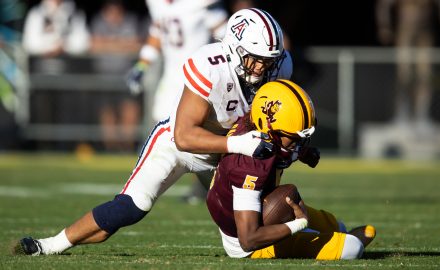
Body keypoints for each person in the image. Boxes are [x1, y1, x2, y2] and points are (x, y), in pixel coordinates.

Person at [15, 8, 294, 256]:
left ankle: (325, 234)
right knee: (130, 209)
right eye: (254, 59)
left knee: (259, 214)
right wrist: (240, 145)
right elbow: (185, 136)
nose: (262, 67)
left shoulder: (280, 67)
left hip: (225, 153)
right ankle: (49, 244)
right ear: (234, 49)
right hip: (176, 144)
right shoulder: (211, 66)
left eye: (268, 60)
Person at [207, 80, 376, 259]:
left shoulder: (258, 125)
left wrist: (301, 152)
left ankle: (326, 232)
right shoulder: (250, 165)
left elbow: (282, 144)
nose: (298, 144)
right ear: (268, 128)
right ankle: (312, 233)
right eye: (293, 137)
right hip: (249, 242)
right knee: (352, 247)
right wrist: (299, 224)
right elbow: (248, 239)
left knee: (336, 227)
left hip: (263, 202)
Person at [127, 0, 228, 201]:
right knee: (162, 129)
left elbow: (227, 34)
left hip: (198, 77)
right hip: (171, 78)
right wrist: (141, 65)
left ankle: (213, 186)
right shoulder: (158, 4)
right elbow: (157, 34)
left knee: (201, 131)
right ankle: (147, 182)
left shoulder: (200, 6)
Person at [376, 0, 440, 128]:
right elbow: (383, 5)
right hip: (405, 31)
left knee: (425, 74)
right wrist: (384, 26)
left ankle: (422, 114)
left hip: (425, 32)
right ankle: (402, 113)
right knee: (404, 73)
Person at [90, 0, 142, 151]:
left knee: (129, 111)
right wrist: (121, 44)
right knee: (107, 114)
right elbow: (93, 45)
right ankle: (111, 149)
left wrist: (108, 44)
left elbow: (137, 45)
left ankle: (126, 148)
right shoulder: (98, 22)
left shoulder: (130, 20)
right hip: (104, 76)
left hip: (127, 76)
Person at [22, 0, 90, 57]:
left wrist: (63, 46)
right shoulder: (36, 13)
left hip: (70, 64)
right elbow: (30, 43)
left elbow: (83, 42)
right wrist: (51, 47)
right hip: (41, 65)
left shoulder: (75, 12)